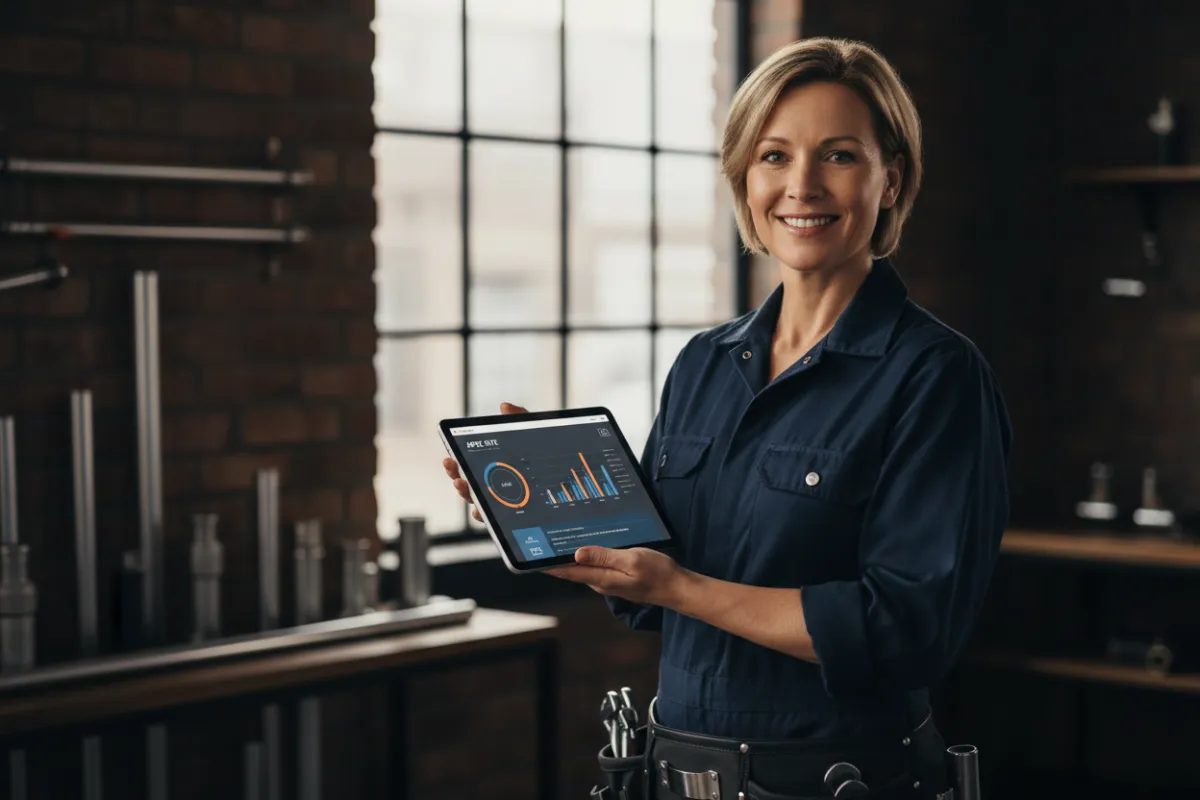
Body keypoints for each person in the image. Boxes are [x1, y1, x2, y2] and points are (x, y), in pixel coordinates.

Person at [444, 37, 1010, 800]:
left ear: (890, 180)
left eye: (838, 156)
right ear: (745, 180)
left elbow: (903, 632)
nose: (800, 185)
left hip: (842, 782)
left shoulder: (935, 376)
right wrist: (547, 518)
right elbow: (647, 581)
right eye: (773, 156)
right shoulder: (704, 363)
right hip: (676, 775)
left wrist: (680, 588)